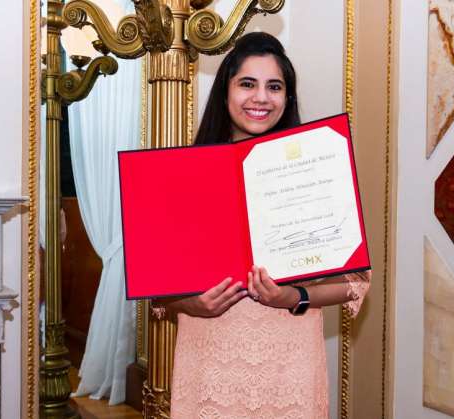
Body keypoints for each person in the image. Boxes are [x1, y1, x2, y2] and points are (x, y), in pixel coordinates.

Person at [154, 32, 371, 419]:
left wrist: (295, 298)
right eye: (247, 84)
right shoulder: (184, 176)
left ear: (287, 97)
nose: (261, 98)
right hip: (209, 365)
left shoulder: (317, 169)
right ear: (226, 92)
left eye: (275, 86)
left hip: (290, 369)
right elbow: (156, 292)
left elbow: (355, 283)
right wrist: (193, 303)